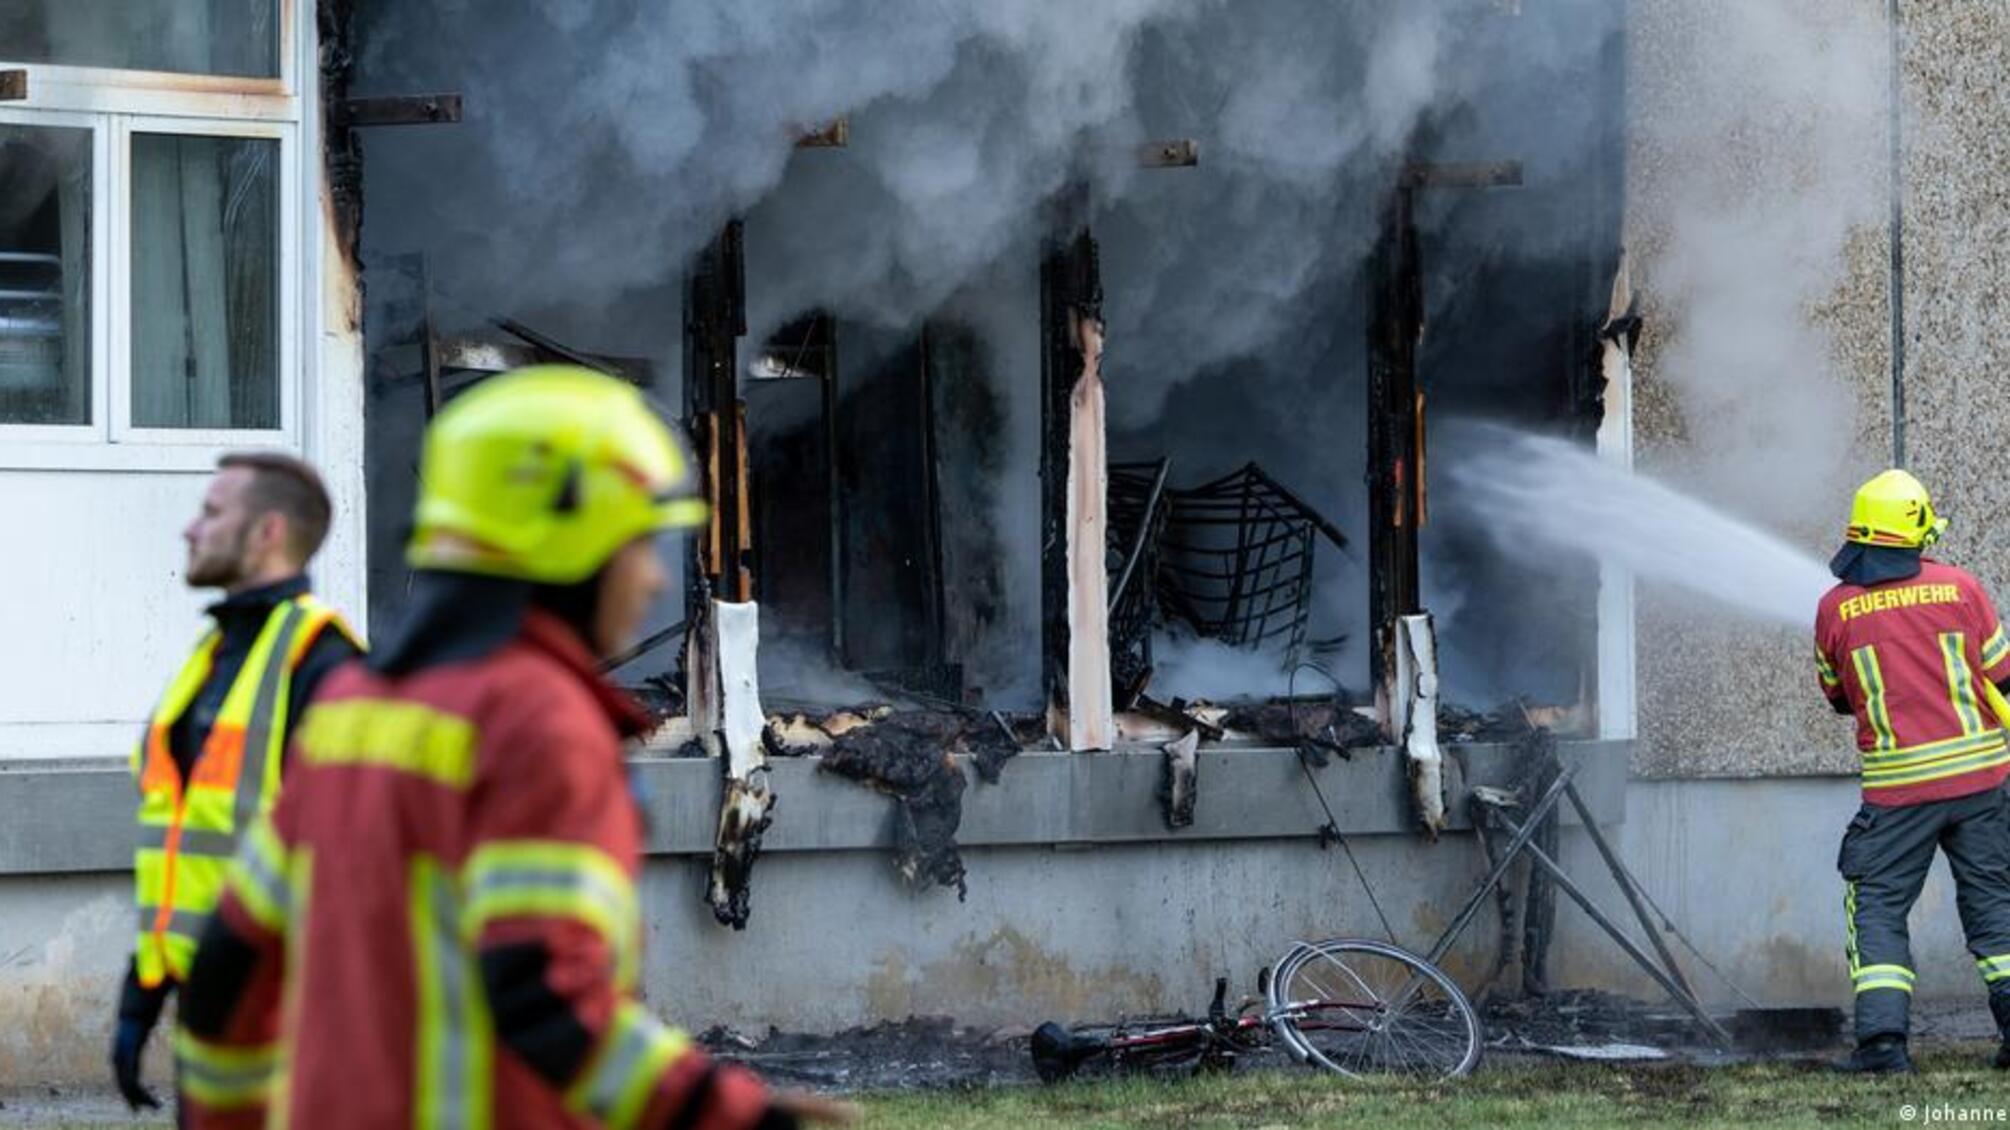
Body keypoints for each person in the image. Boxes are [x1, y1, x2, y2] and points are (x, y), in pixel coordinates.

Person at [179, 367, 851, 1128]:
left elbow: (225, 970)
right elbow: (539, 994)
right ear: (567, 539)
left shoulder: (352, 709)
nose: (656, 577)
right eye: (639, 541)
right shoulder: (538, 724)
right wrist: (719, 1109)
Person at [113, 452, 362, 1111]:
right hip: (214, 1015)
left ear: (267, 532)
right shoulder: (214, 657)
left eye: (212, 513)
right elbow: (187, 848)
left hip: (297, 1023)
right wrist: (141, 997)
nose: (191, 530)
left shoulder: (327, 667)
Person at [1815, 469, 2010, 1074]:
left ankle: (1881, 1046)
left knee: (1875, 905)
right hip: (1982, 781)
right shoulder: (1962, 589)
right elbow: (2001, 677)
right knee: (1996, 902)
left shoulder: (1836, 608)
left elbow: (1839, 698)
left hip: (1899, 794)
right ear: (1919, 531)